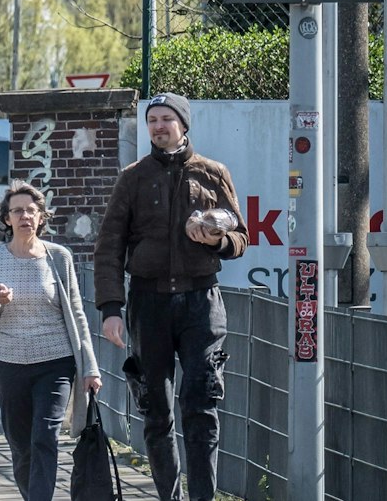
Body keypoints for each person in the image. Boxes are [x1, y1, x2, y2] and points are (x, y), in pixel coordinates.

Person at [94, 92, 246, 501]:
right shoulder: (133, 178)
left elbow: (241, 237)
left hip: (202, 302)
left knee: (200, 406)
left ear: (184, 123)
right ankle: (169, 496)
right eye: (152, 120)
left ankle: (202, 497)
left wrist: (217, 239)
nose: (158, 126)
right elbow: (109, 246)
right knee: (156, 410)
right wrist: (111, 309)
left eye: (166, 119)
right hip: (149, 302)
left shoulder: (213, 174)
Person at [0, 181, 101, 500]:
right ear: (7, 218)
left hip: (55, 364)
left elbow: (78, 315)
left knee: (45, 437)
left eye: (31, 210)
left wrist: (89, 367)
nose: (24, 215)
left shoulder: (59, 257)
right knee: (21, 445)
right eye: (17, 211)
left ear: (41, 216)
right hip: (9, 365)